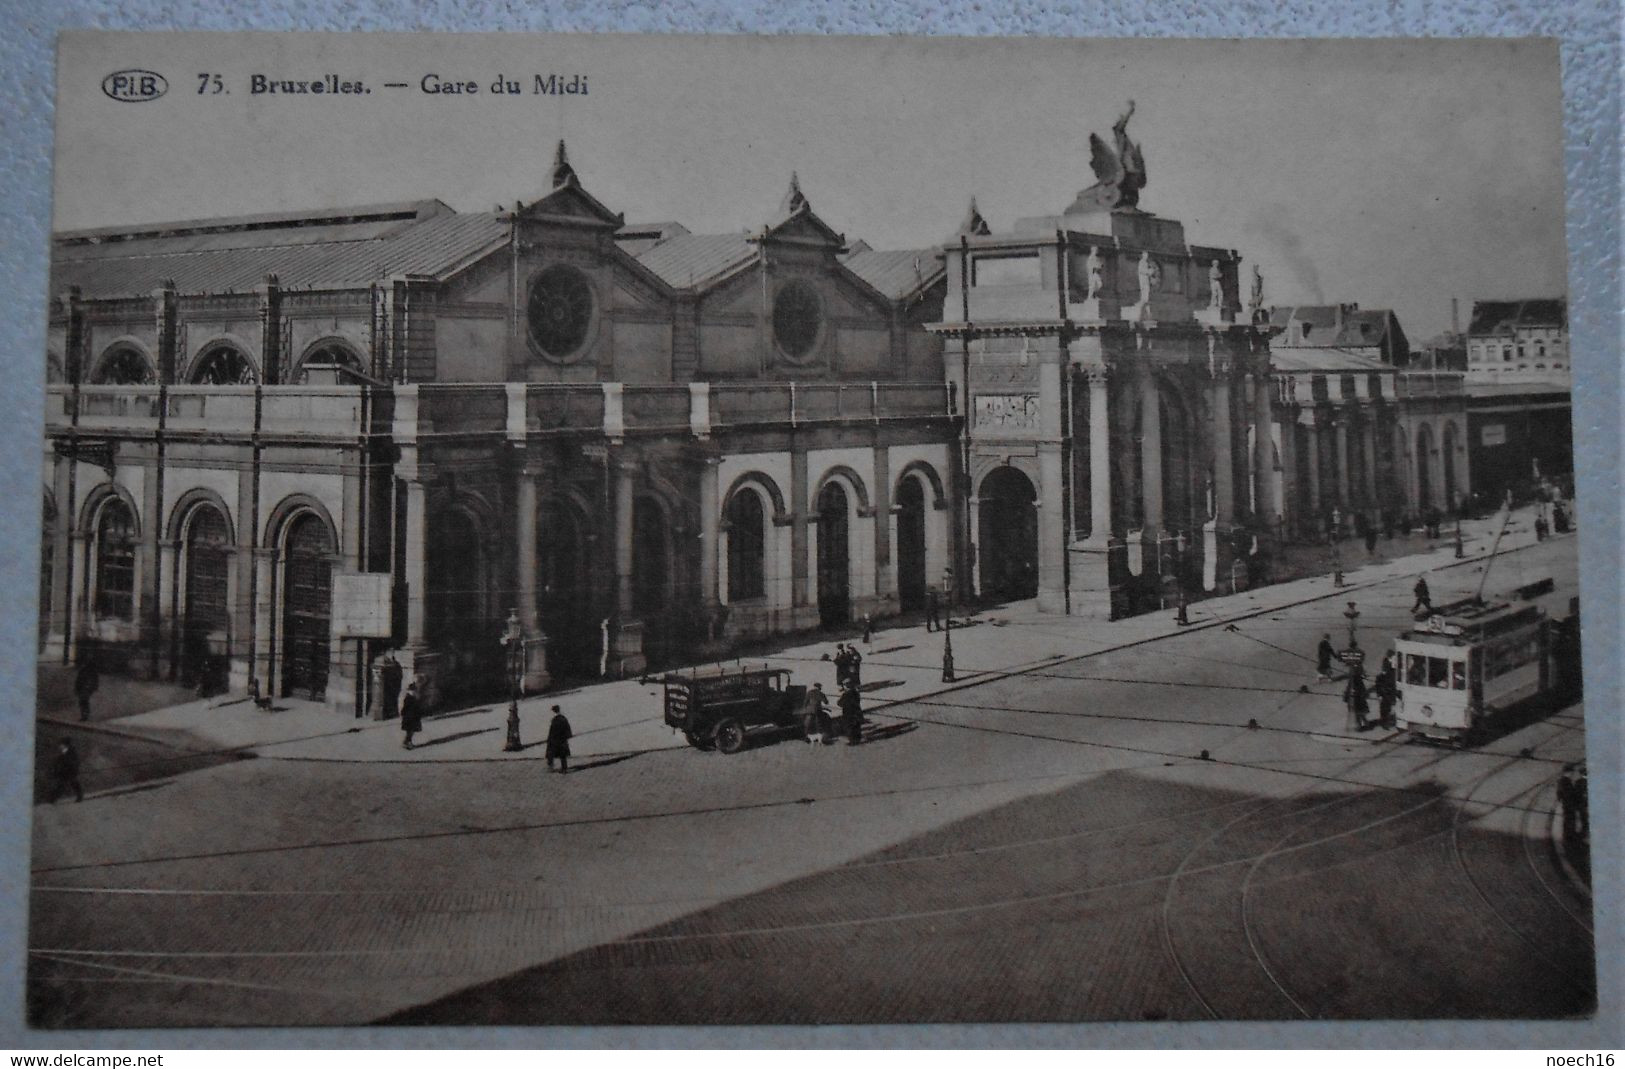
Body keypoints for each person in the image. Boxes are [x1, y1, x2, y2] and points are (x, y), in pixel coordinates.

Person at [49, 738, 83, 804]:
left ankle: (53, 799)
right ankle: (53, 798)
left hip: (70, 771)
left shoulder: (70, 751)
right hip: (66, 771)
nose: (60, 746)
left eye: (61, 744)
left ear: (65, 745)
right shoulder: (65, 751)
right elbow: (60, 760)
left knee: (68, 784)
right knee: (69, 784)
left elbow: (73, 762)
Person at [545, 705, 574, 773]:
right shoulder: (563, 718)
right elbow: (568, 728)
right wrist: (567, 736)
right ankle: (564, 768)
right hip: (562, 739)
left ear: (553, 711)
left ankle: (551, 767)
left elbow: (552, 731)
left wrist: (549, 739)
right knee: (562, 754)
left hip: (554, 739)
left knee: (550, 753)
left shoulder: (554, 720)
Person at [1375, 654, 1399, 730]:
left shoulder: (1391, 672)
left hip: (1388, 693)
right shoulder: (1387, 674)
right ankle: (1385, 723)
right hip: (1386, 693)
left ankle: (1386, 722)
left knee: (1386, 709)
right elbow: (1378, 684)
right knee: (1385, 709)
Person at [379, 650, 403, 721]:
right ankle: (388, 715)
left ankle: (393, 714)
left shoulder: (396, 664)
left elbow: (400, 675)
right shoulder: (384, 664)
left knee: (393, 701)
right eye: (388, 652)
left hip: (394, 686)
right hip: (387, 687)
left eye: (391, 652)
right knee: (387, 701)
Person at [73, 659, 99, 723]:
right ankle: (85, 715)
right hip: (85, 688)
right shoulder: (90, 671)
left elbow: (79, 680)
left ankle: (84, 716)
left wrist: (77, 688)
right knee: (83, 702)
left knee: (83, 701)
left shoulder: (85, 670)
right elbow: (79, 680)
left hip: (85, 688)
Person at [399, 681, 422, 749]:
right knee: (410, 731)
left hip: (414, 717)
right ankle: (407, 742)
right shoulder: (408, 698)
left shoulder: (413, 697)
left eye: (414, 691)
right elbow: (405, 708)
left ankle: (407, 742)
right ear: (409, 691)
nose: (413, 692)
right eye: (412, 691)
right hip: (409, 718)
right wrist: (403, 714)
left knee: (411, 731)